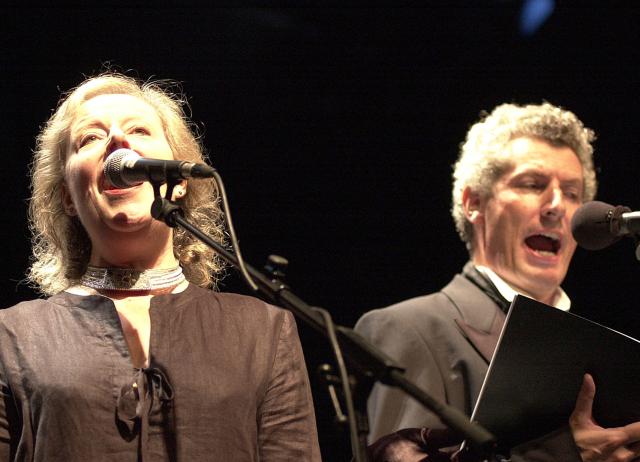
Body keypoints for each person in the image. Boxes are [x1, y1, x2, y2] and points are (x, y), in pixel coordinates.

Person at [0, 73, 321, 461]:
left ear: (180, 180)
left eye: (139, 129)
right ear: (68, 196)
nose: (117, 140)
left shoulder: (263, 331)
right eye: (90, 138)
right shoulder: (13, 335)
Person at [355, 102, 640, 461]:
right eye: (532, 184)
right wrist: (562, 455)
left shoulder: (600, 351)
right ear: (473, 203)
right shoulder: (409, 329)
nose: (557, 206)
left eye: (572, 193)